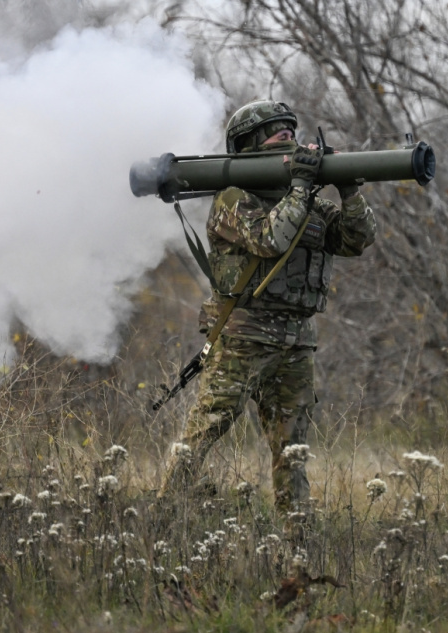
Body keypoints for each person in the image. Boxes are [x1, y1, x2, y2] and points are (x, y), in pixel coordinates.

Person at [159, 100, 376, 512]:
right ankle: (164, 516)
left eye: (291, 130)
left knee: (292, 447)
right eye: (278, 131)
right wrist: (298, 188)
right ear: (250, 144)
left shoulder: (307, 203)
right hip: (243, 336)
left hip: (296, 341)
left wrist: (349, 192)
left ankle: (298, 537)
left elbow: (356, 240)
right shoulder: (233, 199)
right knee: (208, 427)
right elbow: (270, 239)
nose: (289, 137)